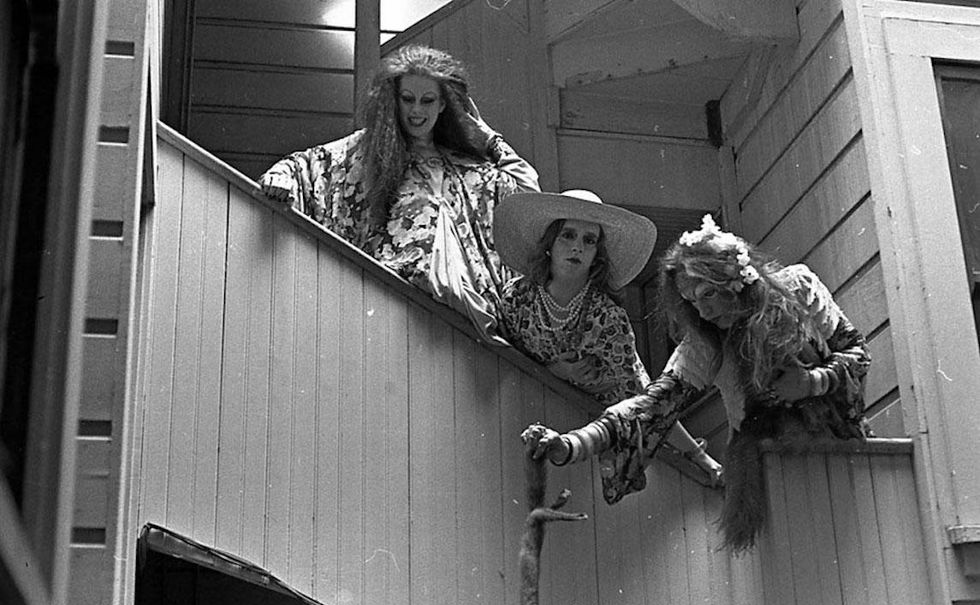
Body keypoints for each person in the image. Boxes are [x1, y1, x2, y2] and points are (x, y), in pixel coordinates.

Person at [523, 213, 872, 553]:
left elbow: (857, 353)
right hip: (766, 474)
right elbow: (650, 406)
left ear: (733, 279)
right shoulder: (705, 344)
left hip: (842, 455)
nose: (703, 313)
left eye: (707, 294)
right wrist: (573, 445)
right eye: (691, 302)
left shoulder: (799, 288)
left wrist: (813, 381)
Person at [258, 44, 540, 343]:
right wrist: (280, 177)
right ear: (394, 100)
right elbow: (306, 166)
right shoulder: (365, 152)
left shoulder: (464, 166)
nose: (416, 111)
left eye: (427, 100)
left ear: (443, 105)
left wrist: (489, 138)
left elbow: (524, 191)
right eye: (408, 99)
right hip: (393, 308)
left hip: (467, 323)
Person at [493, 190, 723, 485]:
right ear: (549, 243)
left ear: (596, 256)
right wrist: (556, 371)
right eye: (568, 235)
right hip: (534, 407)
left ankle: (700, 457)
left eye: (589, 240)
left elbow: (638, 397)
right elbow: (508, 358)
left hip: (607, 412)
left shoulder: (607, 319)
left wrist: (694, 455)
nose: (577, 247)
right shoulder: (517, 298)